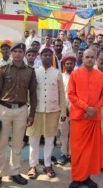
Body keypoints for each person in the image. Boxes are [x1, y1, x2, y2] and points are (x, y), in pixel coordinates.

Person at [0, 43, 37, 187]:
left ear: (24, 54)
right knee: (2, 144)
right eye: (15, 51)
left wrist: (32, 114)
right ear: (11, 53)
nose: (17, 54)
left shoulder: (30, 71)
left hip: (21, 110)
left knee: (18, 144)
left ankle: (15, 173)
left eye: (20, 51)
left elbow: (33, 94)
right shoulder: (2, 70)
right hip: (4, 109)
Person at [68, 49, 103, 188]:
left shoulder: (100, 75)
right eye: (87, 57)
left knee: (90, 151)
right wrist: (86, 108)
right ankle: (77, 178)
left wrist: (94, 109)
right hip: (79, 118)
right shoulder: (75, 74)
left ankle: (86, 178)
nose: (89, 59)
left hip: (93, 118)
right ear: (83, 58)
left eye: (92, 57)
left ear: (95, 59)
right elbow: (71, 94)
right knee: (78, 150)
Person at [26, 47, 66, 179]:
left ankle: (48, 165)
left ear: (52, 58)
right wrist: (27, 109)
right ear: (40, 57)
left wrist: (63, 111)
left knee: (50, 140)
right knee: (34, 139)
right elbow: (29, 93)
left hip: (52, 111)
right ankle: (33, 165)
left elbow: (61, 93)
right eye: (45, 55)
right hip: (36, 111)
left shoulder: (57, 73)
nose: (47, 57)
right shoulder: (34, 72)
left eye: (50, 55)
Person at [57, 55, 77, 166]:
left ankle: (72, 154)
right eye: (67, 64)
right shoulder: (61, 77)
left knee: (74, 133)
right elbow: (60, 94)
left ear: (74, 64)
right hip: (63, 110)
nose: (69, 65)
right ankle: (64, 154)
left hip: (76, 110)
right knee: (64, 133)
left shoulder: (78, 76)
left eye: (71, 63)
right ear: (64, 65)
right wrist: (63, 109)